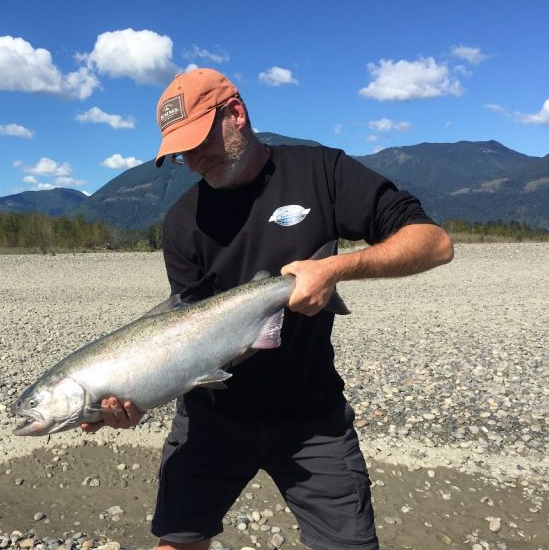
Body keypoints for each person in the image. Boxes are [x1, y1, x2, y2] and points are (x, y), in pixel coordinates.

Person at [81, 68, 454, 550]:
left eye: (198, 142)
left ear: (235, 114)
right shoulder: (181, 222)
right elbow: (185, 334)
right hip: (212, 417)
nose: (191, 161)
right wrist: (139, 396)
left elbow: (434, 243)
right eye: (180, 152)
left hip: (311, 416)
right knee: (176, 543)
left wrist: (335, 269)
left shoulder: (322, 172)